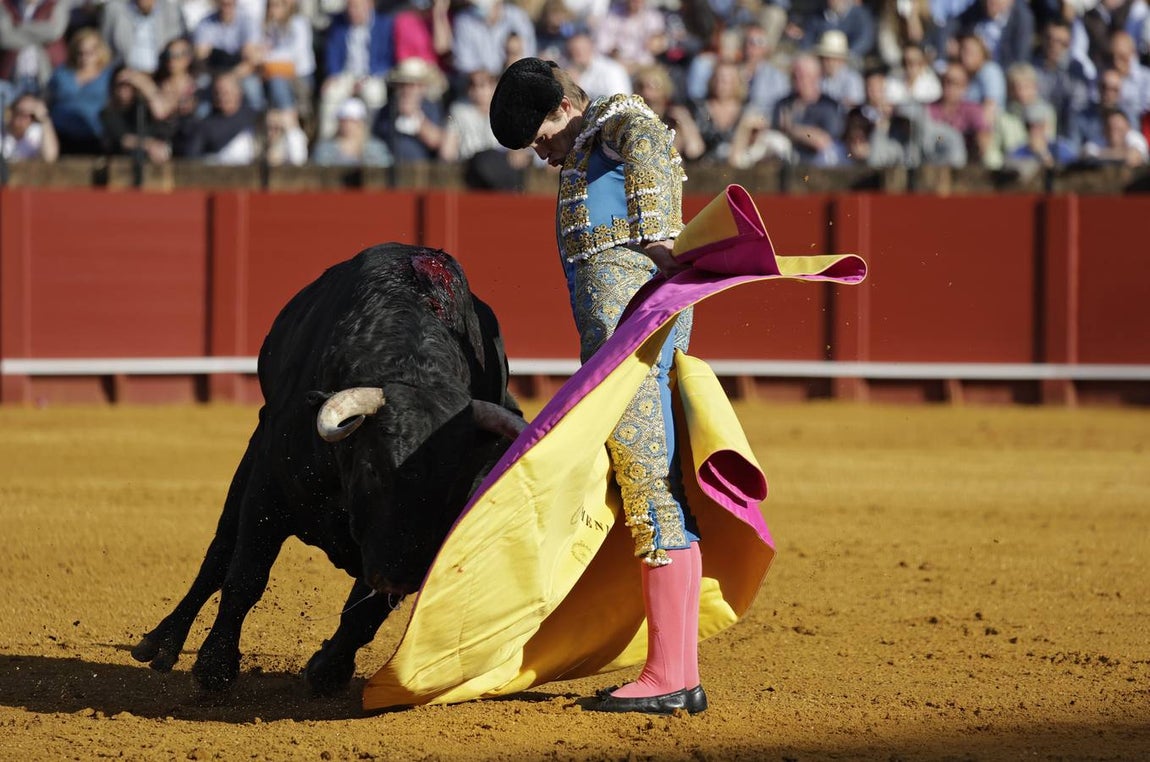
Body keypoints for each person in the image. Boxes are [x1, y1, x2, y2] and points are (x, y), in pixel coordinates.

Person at [488, 57, 704, 716]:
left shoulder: (615, 117)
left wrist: (658, 229)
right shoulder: (589, 143)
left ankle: (669, 675)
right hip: (620, 349)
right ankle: (678, 671)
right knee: (654, 487)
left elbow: (645, 139)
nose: (545, 157)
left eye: (543, 140)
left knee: (650, 490)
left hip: (634, 346)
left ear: (563, 107)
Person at [45, 28, 115, 154]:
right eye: (80, 53)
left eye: (90, 53)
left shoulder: (109, 76)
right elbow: (48, 99)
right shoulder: (62, 73)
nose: (84, 57)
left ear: (99, 52)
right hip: (60, 133)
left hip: (95, 135)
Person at [101, 0, 187, 75]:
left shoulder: (172, 11)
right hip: (124, 73)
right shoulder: (115, 10)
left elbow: (178, 46)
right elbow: (105, 45)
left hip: (160, 75)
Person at [311, 95, 393, 166]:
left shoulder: (376, 149)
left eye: (353, 121)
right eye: (344, 121)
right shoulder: (325, 149)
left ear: (361, 123)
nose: (348, 125)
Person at [1, 92, 58, 160]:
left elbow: (49, 158)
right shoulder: (2, 131)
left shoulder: (36, 132)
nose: (23, 118)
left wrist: (44, 120)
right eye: (19, 112)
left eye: (30, 115)